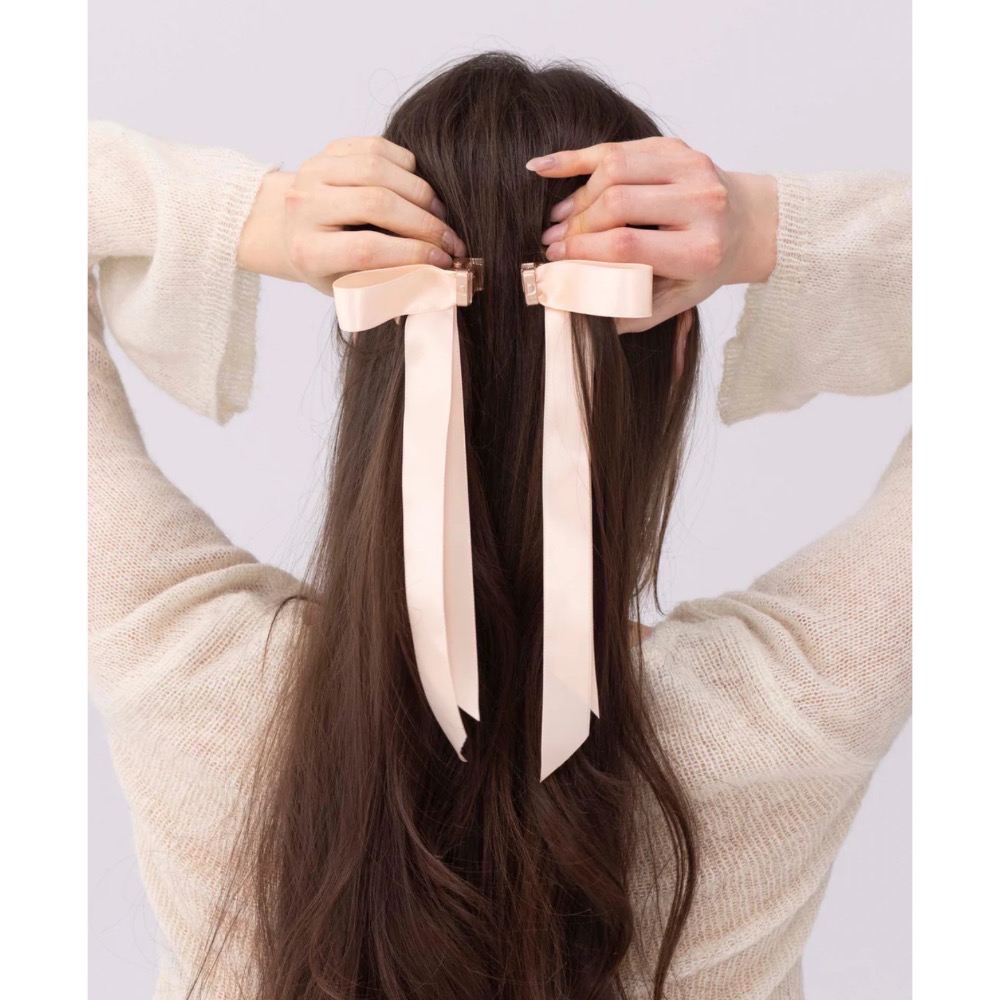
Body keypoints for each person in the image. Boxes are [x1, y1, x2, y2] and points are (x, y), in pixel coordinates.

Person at [88, 52, 911, 1000]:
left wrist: (253, 216)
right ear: (680, 353)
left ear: (363, 348)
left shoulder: (181, 660)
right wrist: (762, 228)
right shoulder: (798, 700)